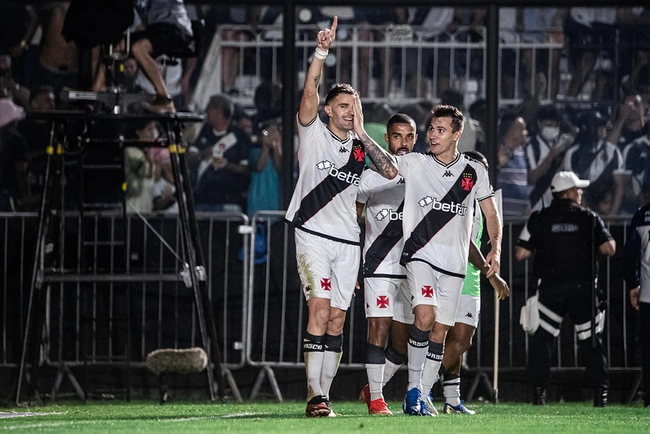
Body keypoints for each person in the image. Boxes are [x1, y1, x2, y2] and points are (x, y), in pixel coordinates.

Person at [353, 101, 502, 416]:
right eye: (432, 129)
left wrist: (496, 248)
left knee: (440, 332)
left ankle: (418, 394)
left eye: (441, 130)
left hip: (455, 265)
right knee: (425, 316)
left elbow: (491, 214)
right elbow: (389, 166)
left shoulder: (474, 172)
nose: (433, 135)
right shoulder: (416, 163)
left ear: (457, 134)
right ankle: (402, 394)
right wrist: (361, 133)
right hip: (419, 257)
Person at [285, 16, 366, 418]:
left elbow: (390, 173)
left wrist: (365, 134)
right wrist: (321, 52)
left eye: (356, 106)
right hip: (313, 233)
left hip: (348, 241)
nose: (351, 112)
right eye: (345, 106)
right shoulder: (312, 132)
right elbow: (309, 88)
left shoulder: (361, 148)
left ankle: (326, 396)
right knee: (319, 310)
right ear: (329, 110)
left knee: (337, 320)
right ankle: (313, 395)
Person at [515, 170, 616, 407]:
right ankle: (600, 393)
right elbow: (609, 248)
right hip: (583, 290)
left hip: (551, 290)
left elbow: (521, 252)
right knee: (591, 341)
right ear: (569, 192)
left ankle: (539, 393)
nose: (581, 193)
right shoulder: (589, 217)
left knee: (543, 342)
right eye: (578, 189)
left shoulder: (539, 218)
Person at [438, 150, 510, 415]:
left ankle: (452, 399)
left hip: (469, 278)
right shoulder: (458, 198)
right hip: (454, 276)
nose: (483, 173)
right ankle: (421, 385)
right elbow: (465, 243)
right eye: (478, 168)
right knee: (461, 341)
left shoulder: (480, 201)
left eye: (486, 169)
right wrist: (493, 276)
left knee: (455, 341)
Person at [355, 113, 418, 416]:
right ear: (387, 139)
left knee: (402, 344)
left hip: (412, 268)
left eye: (408, 137)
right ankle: (378, 399)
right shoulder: (371, 176)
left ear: (415, 139)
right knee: (377, 328)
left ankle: (372, 387)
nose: (403, 143)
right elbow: (353, 215)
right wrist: (353, 259)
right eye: (397, 136)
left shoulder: (425, 172)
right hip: (378, 265)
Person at [191, 94, 251, 213]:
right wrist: (202, 155)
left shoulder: (239, 137)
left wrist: (227, 165)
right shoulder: (205, 131)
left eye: (209, 108)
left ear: (218, 111)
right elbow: (190, 157)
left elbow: (247, 169)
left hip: (228, 202)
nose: (206, 111)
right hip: (202, 200)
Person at [131, 0, 194, 112]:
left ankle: (164, 99)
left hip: (174, 28)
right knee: (117, 44)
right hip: (156, 30)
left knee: (139, 48)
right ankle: (96, 94)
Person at [624, 201, 650, 409]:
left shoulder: (643, 215)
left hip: (648, 293)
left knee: (648, 347)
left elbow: (631, 253)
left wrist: (634, 284)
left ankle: (649, 395)